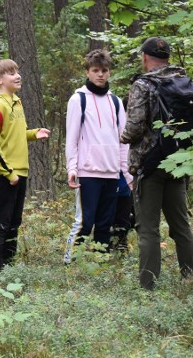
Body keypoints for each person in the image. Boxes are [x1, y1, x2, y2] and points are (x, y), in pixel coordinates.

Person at [120, 37, 193, 290]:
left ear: (145, 58)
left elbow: (134, 127)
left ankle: (148, 287)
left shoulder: (143, 85)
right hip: (178, 162)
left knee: (148, 230)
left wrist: (123, 138)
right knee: (181, 226)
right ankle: (192, 278)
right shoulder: (184, 81)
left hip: (149, 164)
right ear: (167, 57)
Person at [63, 49, 131, 264]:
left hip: (111, 172)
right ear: (87, 72)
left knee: (105, 222)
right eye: (95, 70)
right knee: (85, 222)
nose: (100, 75)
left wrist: (126, 173)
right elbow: (72, 138)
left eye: (104, 70)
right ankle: (71, 263)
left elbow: (123, 139)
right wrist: (72, 169)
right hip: (87, 171)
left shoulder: (116, 101)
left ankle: (101, 265)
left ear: (109, 72)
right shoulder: (78, 99)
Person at [0, 59, 51, 268]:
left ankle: (8, 263)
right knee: (1, 222)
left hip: (20, 171)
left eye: (17, 72)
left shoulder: (16, 101)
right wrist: (8, 172)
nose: (17, 76)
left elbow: (13, 134)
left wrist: (32, 134)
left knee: (14, 222)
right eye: (11, 73)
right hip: (4, 174)